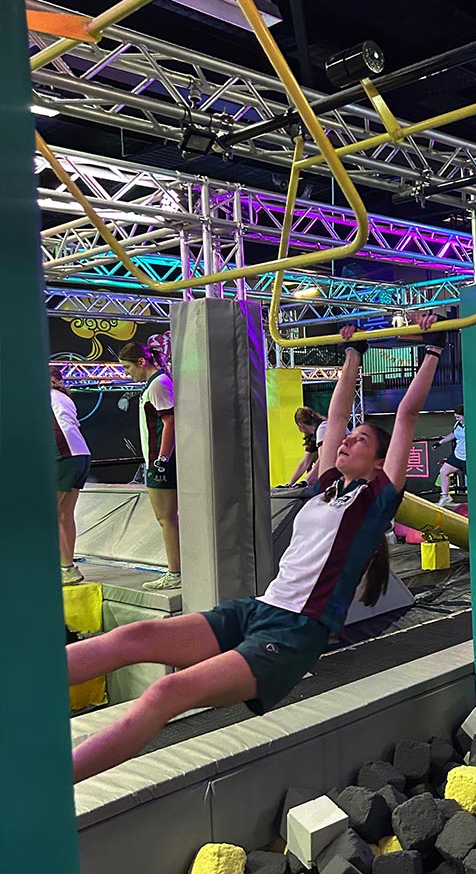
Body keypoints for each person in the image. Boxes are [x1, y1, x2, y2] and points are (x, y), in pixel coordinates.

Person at [67, 315, 445, 782]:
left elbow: (406, 415)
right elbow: (337, 416)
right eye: (348, 436)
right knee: (132, 638)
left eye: (360, 440)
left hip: (294, 634)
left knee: (166, 693)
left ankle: (49, 785)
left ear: (377, 464)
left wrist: (431, 348)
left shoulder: (376, 501)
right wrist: (353, 354)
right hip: (259, 609)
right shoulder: (327, 487)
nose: (345, 438)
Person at [119, 342, 181, 591]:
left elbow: (171, 422)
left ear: (141, 362)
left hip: (161, 462)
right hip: (157, 460)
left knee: (166, 518)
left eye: (127, 367)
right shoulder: (154, 385)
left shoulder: (158, 384)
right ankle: (176, 569)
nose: (126, 372)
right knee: (165, 518)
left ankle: (175, 572)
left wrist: (162, 460)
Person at [51, 367, 92, 586]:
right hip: (81, 454)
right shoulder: (64, 397)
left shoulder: (42, 397)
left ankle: (41, 566)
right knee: (65, 514)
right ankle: (67, 569)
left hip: (63, 455)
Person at [286, 406, 329, 489]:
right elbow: (304, 463)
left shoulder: (323, 429)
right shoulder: (316, 433)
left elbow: (323, 460)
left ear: (300, 425)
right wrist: (289, 485)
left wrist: (306, 481)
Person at [434, 404, 466, 508]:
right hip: (457, 455)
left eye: (458, 417)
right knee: (443, 472)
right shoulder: (457, 424)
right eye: (456, 417)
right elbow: (453, 435)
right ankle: (445, 496)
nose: (457, 419)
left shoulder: (473, 425)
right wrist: (439, 443)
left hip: (469, 458)